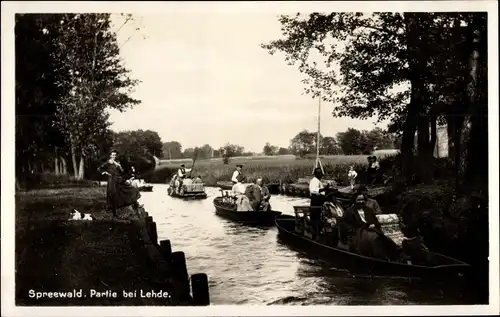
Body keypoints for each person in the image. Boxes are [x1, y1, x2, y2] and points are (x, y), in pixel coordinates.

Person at [342, 194, 399, 260]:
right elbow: (343, 223)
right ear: (355, 200)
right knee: (374, 238)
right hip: (359, 231)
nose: (361, 202)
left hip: (372, 229)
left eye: (362, 200)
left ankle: (393, 255)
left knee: (384, 238)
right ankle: (380, 257)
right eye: (359, 200)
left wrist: (374, 224)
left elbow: (375, 220)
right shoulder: (349, 211)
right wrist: (351, 230)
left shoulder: (368, 210)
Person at [98, 150, 142, 217]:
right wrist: (105, 173)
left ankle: (134, 204)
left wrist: (119, 166)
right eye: (113, 155)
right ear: (110, 155)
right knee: (113, 195)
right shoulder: (108, 162)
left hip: (119, 180)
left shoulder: (117, 162)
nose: (114, 156)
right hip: (112, 180)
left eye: (115, 155)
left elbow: (122, 171)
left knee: (131, 189)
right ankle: (114, 213)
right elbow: (99, 168)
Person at [309, 167, 330, 240]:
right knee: (316, 218)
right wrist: (324, 189)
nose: (321, 174)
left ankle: (320, 232)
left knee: (320, 217)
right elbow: (313, 191)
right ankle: (315, 235)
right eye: (319, 173)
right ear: (316, 174)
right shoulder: (314, 181)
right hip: (315, 202)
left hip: (320, 201)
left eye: (321, 173)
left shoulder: (319, 181)